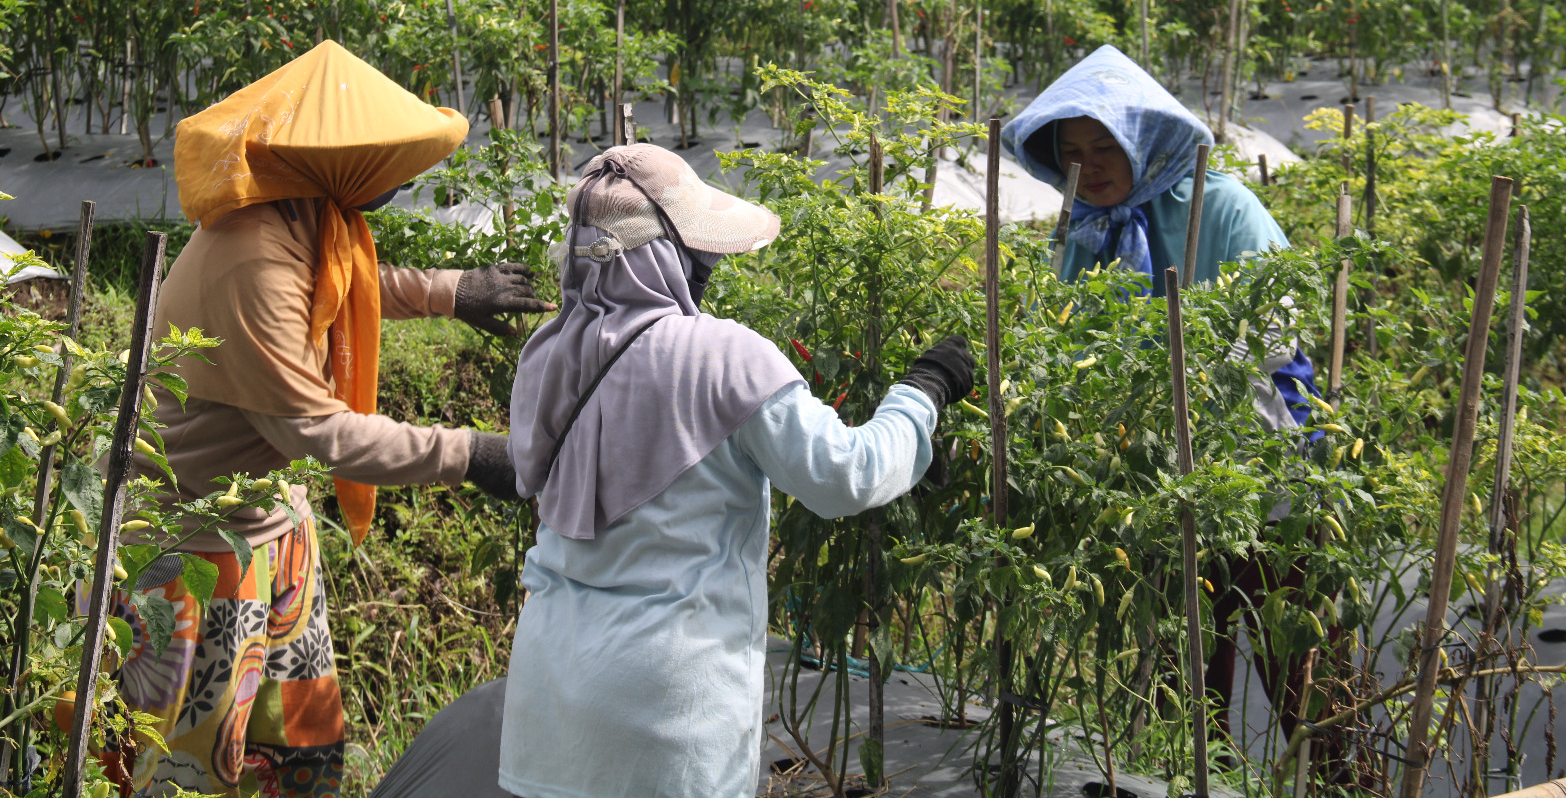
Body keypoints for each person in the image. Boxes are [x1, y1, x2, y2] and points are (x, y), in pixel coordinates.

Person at [110, 41, 551, 798]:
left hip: (270, 528)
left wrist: (451, 289)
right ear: (335, 165)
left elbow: (341, 283)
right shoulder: (251, 257)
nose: (398, 178)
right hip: (200, 555)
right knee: (193, 769)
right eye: (383, 160)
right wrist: (473, 454)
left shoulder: (300, 213)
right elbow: (315, 431)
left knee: (294, 750)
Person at [495, 144, 974, 798]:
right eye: (701, 256)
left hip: (550, 703)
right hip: (668, 709)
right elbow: (848, 475)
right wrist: (922, 394)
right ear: (672, 258)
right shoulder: (721, 356)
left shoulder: (546, 352)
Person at [1000, 44, 1322, 744]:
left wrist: (1188, 388)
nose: (1093, 166)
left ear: (1141, 142)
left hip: (1258, 475)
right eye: (1075, 150)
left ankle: (1336, 782)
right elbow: (1066, 347)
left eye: (1106, 145)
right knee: (1181, 682)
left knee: (1298, 674)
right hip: (1152, 489)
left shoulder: (1224, 206)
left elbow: (1280, 326)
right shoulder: (1082, 234)